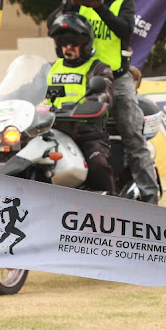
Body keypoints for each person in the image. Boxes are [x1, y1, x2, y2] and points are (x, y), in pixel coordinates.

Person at [48, 0, 159, 203]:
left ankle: (151, 198)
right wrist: (70, 1)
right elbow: (52, 25)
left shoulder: (123, 1)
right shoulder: (79, 2)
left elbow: (125, 31)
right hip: (82, 75)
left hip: (117, 79)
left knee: (132, 133)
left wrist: (99, 7)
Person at [47, 12, 115, 195]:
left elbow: (104, 93)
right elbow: (29, 89)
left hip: (87, 133)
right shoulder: (50, 68)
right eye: (62, 43)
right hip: (52, 133)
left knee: (97, 164)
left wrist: (94, 101)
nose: (67, 47)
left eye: (73, 42)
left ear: (85, 43)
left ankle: (114, 209)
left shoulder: (98, 68)